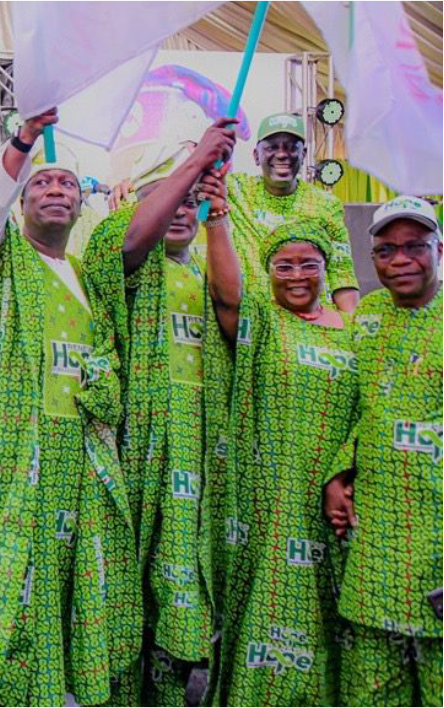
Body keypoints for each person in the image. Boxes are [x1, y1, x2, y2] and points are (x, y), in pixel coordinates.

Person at [0, 109, 139, 707]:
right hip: (15, 456)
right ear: (22, 200)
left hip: (80, 460)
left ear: (81, 206)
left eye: (66, 185)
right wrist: (24, 140)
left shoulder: (85, 276)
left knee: (72, 585)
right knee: (10, 583)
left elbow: (108, 358)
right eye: (42, 183)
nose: (55, 192)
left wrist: (101, 382)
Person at [81, 119, 237, 706]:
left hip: (194, 460)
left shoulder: (211, 267)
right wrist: (195, 159)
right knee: (125, 596)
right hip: (132, 454)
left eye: (191, 201)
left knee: (179, 593)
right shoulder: (117, 257)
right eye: (167, 194)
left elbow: (238, 314)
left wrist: (214, 209)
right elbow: (127, 243)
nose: (181, 209)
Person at [207, 166, 358, 704]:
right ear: (268, 271)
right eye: (284, 265)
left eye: (308, 265)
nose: (297, 275)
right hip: (278, 506)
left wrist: (345, 474)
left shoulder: (356, 331)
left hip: (346, 501)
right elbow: (227, 298)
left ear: (327, 268)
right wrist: (219, 219)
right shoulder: (265, 322)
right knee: (277, 619)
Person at [324, 196, 442, 707]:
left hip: (438, 547)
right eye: (385, 250)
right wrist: (337, 473)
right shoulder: (367, 316)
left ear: (440, 248)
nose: (400, 260)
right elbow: (359, 408)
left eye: (414, 246)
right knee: (370, 693)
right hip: (375, 547)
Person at [226, 112, 359, 312]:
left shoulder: (326, 205)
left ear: (304, 154)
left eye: (290, 147)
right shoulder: (235, 190)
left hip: (308, 327)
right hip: (251, 323)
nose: (282, 154)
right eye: (272, 147)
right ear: (256, 155)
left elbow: (342, 273)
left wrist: (350, 331)